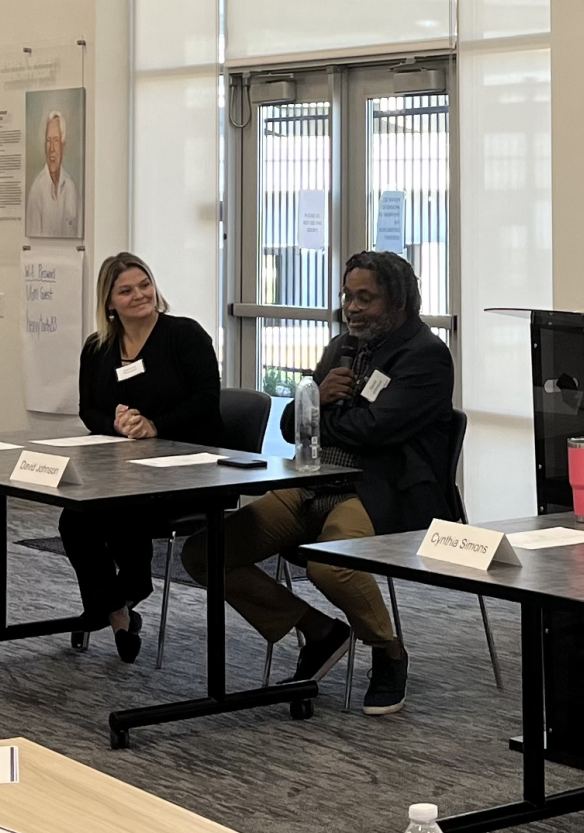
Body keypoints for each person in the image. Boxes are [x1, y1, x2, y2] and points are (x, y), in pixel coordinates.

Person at [181, 251, 455, 716]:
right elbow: (292, 424)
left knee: (332, 566)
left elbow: (376, 432)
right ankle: (318, 630)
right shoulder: (341, 347)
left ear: (398, 299)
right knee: (203, 554)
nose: (352, 307)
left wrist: (322, 409)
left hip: (377, 489)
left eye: (364, 298)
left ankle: (389, 652)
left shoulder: (426, 356)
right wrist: (320, 399)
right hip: (312, 482)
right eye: (348, 296)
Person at [59, 252, 221, 663]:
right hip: (123, 470)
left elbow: (206, 400)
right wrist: (115, 424)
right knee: (74, 517)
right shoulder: (98, 348)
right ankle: (117, 610)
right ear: (109, 302)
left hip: (186, 470)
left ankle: (122, 594)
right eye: (126, 290)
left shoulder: (185, 336)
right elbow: (88, 409)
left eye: (144, 285)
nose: (139, 295)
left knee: (119, 513)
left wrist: (155, 426)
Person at [26, 111, 80, 238]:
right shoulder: (36, 191)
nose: (52, 149)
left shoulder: (71, 188)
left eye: (56, 141)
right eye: (49, 141)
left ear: (63, 146)